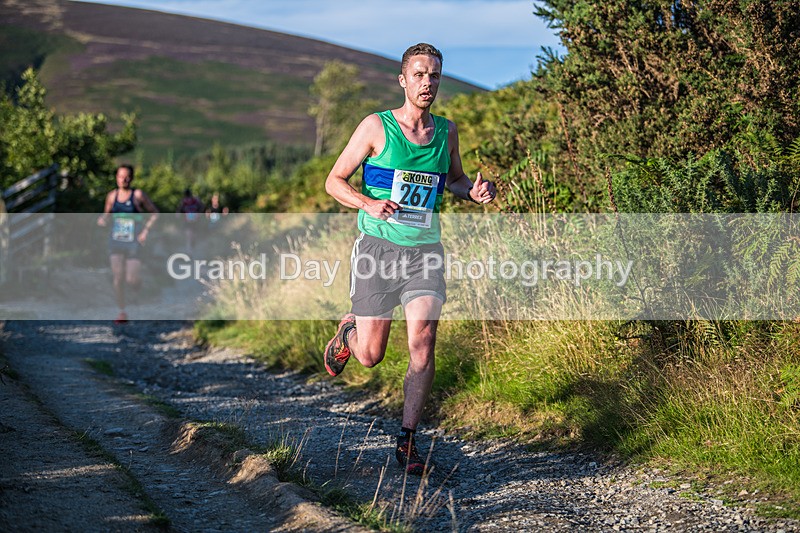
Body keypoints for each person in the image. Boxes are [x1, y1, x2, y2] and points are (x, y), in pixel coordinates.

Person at [323, 43, 497, 475]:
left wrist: (472, 193)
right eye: (419, 74)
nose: (427, 83)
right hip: (377, 250)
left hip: (425, 253)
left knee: (422, 340)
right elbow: (334, 180)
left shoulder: (446, 131)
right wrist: (366, 203)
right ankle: (350, 332)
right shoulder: (376, 127)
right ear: (403, 79)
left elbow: (453, 179)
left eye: (434, 75)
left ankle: (407, 440)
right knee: (371, 356)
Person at [97, 165, 159, 324]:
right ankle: (122, 311)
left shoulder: (138, 195)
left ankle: (138, 289)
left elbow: (155, 214)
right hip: (116, 240)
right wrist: (102, 220)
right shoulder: (112, 196)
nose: (123, 180)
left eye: (126, 176)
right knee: (118, 278)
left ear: (131, 178)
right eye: (120, 176)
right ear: (116, 177)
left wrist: (145, 231)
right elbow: (107, 214)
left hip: (134, 241)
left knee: (131, 279)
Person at [177, 188, 204, 254]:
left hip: (193, 220)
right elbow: (180, 209)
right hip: (189, 220)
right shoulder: (185, 201)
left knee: (192, 235)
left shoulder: (194, 200)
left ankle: (191, 248)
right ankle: (189, 250)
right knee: (189, 235)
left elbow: (201, 207)